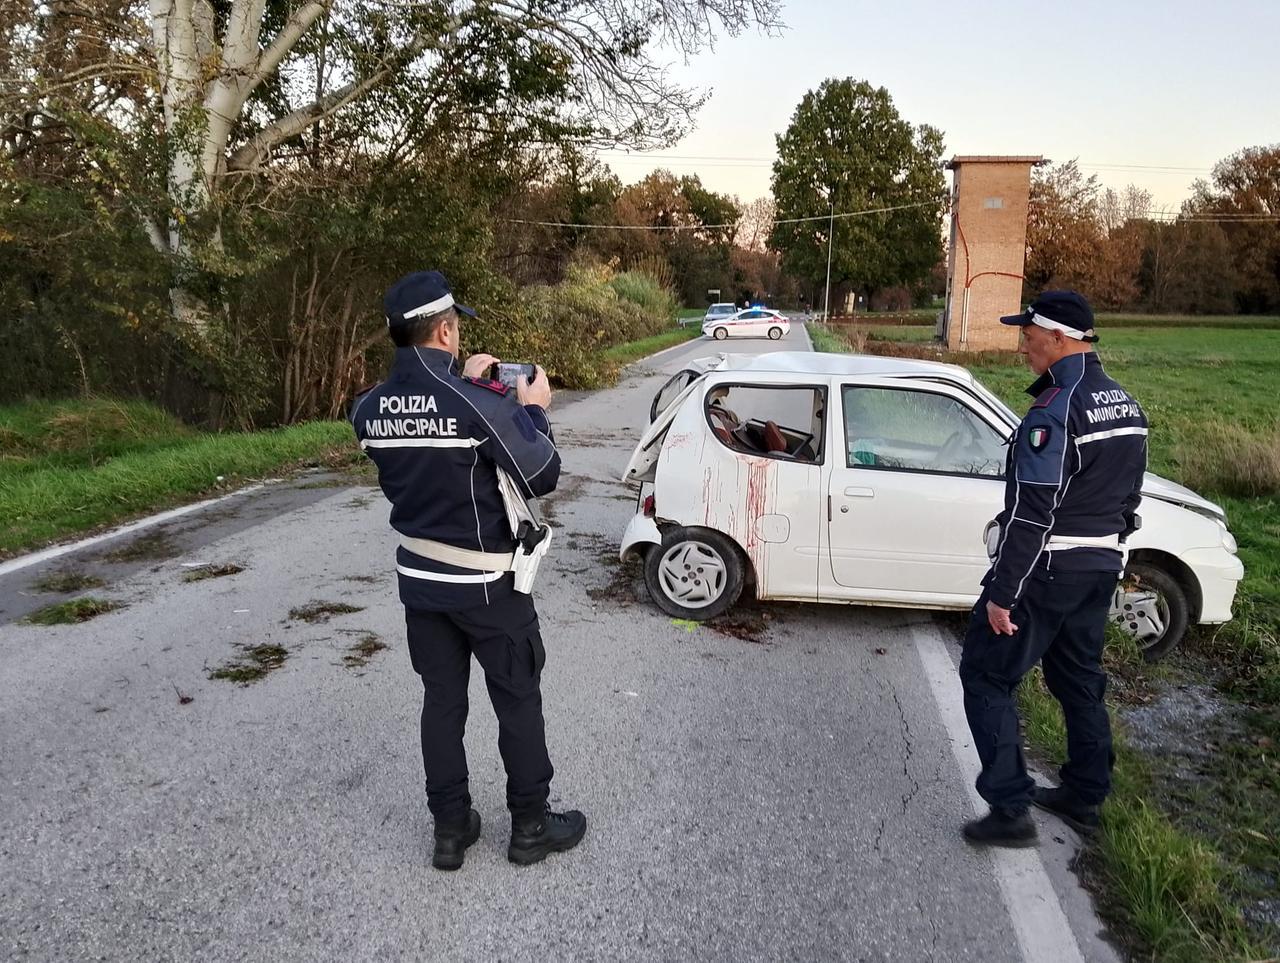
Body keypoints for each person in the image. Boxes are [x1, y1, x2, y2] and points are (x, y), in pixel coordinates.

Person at [350, 270, 586, 870]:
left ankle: (450, 830)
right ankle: (530, 824)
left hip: (421, 584)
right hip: (487, 586)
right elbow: (541, 474)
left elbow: (426, 431)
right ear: (448, 330)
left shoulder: (367, 409)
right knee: (517, 700)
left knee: (442, 703)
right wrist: (530, 409)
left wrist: (468, 384)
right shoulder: (479, 404)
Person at [958, 290, 1148, 847]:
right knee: (1079, 679)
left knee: (986, 676)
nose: (1023, 346)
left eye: (1029, 335)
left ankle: (1010, 808)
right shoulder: (1126, 404)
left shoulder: (1054, 410)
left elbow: (1031, 512)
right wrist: (1107, 548)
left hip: (1047, 569)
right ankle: (1086, 795)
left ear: (1059, 337)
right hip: (1099, 566)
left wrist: (1002, 593)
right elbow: (1129, 496)